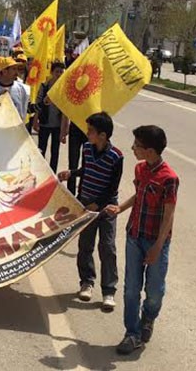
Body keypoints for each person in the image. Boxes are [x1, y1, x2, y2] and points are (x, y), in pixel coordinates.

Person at [104, 125, 178, 355]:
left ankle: (148, 316)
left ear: (150, 150)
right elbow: (139, 195)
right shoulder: (139, 169)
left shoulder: (169, 179)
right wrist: (120, 208)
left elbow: (169, 214)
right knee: (131, 289)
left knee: (154, 291)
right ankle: (132, 333)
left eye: (137, 145)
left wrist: (157, 247)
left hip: (156, 241)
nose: (133, 148)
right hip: (134, 236)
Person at [58, 112, 123, 311]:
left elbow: (113, 187)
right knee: (85, 245)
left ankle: (108, 291)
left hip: (106, 208)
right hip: (86, 203)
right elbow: (86, 171)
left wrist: (98, 204)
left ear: (102, 135)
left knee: (107, 247)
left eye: (90, 131)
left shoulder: (116, 156)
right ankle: (86, 282)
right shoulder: (87, 149)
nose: (87, 134)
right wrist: (72, 173)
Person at [34, 61, 66, 172]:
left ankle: (52, 173)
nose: (59, 74)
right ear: (52, 72)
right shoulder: (44, 86)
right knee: (41, 149)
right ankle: (40, 172)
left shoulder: (64, 90)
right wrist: (35, 121)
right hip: (44, 123)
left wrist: (64, 130)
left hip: (57, 125)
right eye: (57, 72)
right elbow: (37, 105)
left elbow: (66, 111)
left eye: (61, 72)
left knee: (55, 151)